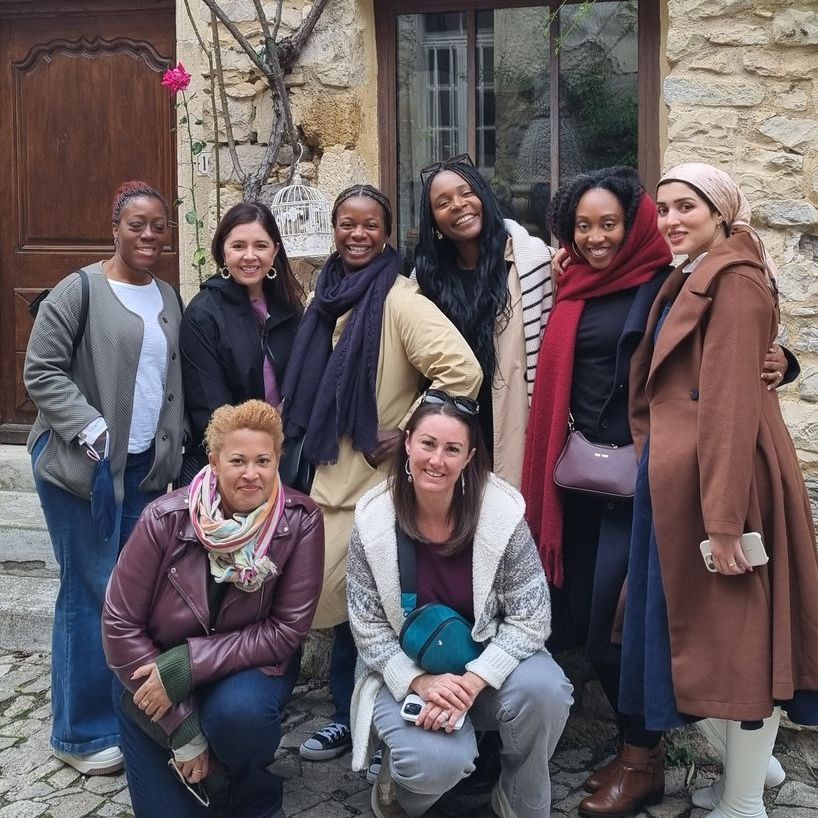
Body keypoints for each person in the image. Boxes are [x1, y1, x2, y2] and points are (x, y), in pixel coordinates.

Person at [619, 162, 818, 818]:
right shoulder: (695, 272)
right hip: (686, 483)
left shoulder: (732, 281)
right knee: (705, 641)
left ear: (721, 211)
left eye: (686, 206)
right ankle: (751, 776)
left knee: (740, 646)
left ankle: (741, 801)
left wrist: (725, 523)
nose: (671, 219)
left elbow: (729, 406)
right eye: (664, 208)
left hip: (723, 486)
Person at [281, 184, 482, 764]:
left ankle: (349, 716)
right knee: (309, 600)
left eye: (370, 224)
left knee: (350, 607)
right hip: (317, 478)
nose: (358, 234)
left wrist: (408, 431)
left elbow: (461, 370)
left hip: (368, 485)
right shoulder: (328, 296)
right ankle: (313, 712)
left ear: (387, 232)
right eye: (347, 223)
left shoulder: (398, 299)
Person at [521, 167, 674, 817]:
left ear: (633, 222)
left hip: (639, 488)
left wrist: (783, 360)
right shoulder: (572, 284)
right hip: (578, 479)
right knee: (584, 619)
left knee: (620, 629)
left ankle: (644, 759)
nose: (596, 238)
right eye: (583, 225)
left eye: (608, 223)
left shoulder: (667, 285)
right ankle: (628, 744)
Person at [347, 395, 573, 818]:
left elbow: (532, 617)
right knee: (437, 765)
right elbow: (367, 626)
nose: (437, 460)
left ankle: (518, 798)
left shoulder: (500, 515)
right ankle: (403, 792)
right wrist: (419, 683)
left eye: (452, 449)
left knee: (546, 691)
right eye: (428, 444)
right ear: (408, 443)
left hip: (486, 665)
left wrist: (474, 680)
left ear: (469, 457)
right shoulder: (374, 522)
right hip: (404, 671)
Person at [24, 180, 184, 776]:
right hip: (81, 470)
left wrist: (171, 451)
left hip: (142, 471)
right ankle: (77, 733)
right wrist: (88, 426)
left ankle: (128, 715)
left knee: (131, 598)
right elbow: (40, 371)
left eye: (158, 227)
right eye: (136, 224)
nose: (148, 235)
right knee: (90, 591)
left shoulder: (167, 294)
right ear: (114, 226)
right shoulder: (79, 290)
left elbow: (168, 380)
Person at [102, 400, 324, 818]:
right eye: (237, 460)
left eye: (264, 460)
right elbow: (119, 624)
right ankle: (199, 764)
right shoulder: (164, 518)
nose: (251, 473)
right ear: (214, 462)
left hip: (246, 671)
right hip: (152, 678)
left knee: (241, 715)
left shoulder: (301, 521)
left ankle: (248, 787)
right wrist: (182, 727)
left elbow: (286, 630)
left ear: (279, 460)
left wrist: (188, 662)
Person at [414, 154, 553, 488]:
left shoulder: (533, 264)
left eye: (466, 193)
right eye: (443, 202)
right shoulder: (425, 282)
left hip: (512, 421)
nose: (459, 205)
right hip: (449, 429)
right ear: (433, 220)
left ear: (484, 197)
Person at [180, 202, 303, 479]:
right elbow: (212, 410)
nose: (250, 256)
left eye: (260, 245)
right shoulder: (203, 314)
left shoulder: (288, 307)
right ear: (223, 251)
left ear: (276, 250)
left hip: (285, 459)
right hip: (231, 467)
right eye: (238, 246)